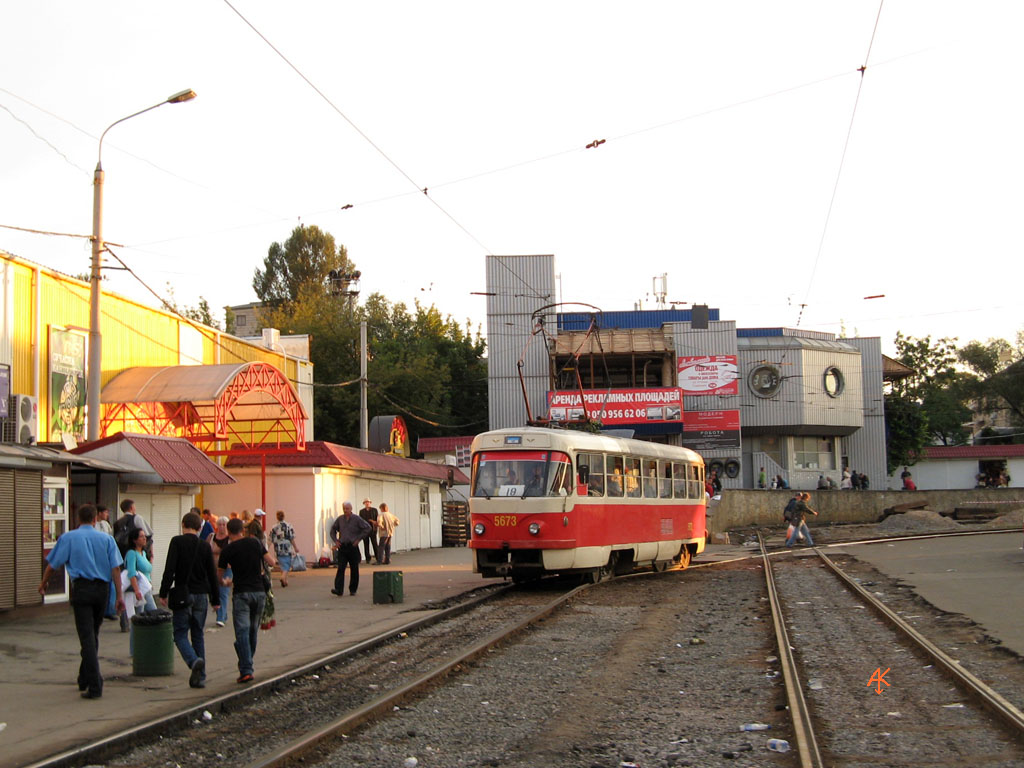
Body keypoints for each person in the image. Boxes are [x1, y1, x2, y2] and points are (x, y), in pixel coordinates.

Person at [38, 504, 124, 699]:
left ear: (78, 519)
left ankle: (95, 684)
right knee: (92, 634)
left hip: (82, 590)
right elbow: (116, 569)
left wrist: (44, 583)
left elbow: (53, 565)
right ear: (95, 520)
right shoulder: (107, 539)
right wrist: (119, 596)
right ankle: (83, 677)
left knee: (86, 637)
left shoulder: (68, 538)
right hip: (102, 590)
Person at [159, 511, 220, 688]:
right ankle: (201, 677)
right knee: (198, 634)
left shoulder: (176, 542)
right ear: (200, 527)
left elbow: (170, 569)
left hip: (183, 595)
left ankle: (193, 661)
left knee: (179, 634)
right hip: (201, 595)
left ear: (183, 525)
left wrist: (163, 592)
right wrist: (215, 599)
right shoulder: (205, 546)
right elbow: (212, 574)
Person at [218, 518, 275, 684]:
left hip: (241, 594)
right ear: (242, 530)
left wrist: (227, 582)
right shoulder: (255, 542)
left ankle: (246, 668)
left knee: (242, 631)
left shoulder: (227, 550)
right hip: (259, 593)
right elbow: (271, 561)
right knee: (252, 630)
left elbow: (220, 576)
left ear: (229, 532)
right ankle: (246, 661)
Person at [122, 527, 158, 656]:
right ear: (134, 540)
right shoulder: (132, 553)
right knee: (148, 615)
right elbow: (131, 573)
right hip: (139, 590)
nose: (144, 539)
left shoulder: (143, 553)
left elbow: (147, 570)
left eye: (145, 536)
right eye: (141, 536)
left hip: (146, 588)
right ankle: (135, 649)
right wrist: (137, 590)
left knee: (143, 616)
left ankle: (140, 646)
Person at [329, 501, 372, 596]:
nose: (345, 510)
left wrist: (358, 539)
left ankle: (353, 589)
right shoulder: (340, 519)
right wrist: (336, 541)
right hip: (343, 546)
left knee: (354, 568)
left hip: (352, 546)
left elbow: (367, 528)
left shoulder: (356, 519)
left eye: (347, 509)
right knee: (341, 568)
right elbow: (333, 530)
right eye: (344, 509)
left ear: (351, 509)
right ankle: (338, 589)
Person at [95, 506, 118, 620]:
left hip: (107, 555)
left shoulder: (106, 524)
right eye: (105, 512)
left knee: (111, 585)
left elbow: (111, 537)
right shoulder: (93, 526)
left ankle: (110, 610)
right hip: (97, 557)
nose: (107, 514)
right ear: (99, 513)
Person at [209, 516, 231, 627]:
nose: (222, 527)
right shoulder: (212, 537)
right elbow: (205, 550)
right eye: (220, 524)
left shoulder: (230, 539)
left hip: (227, 569)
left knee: (223, 593)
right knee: (214, 593)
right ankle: (222, 614)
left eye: (224, 525)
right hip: (213, 569)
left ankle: (220, 618)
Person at [270, 510, 299, 587]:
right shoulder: (289, 526)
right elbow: (292, 538)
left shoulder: (274, 527)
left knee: (282, 564)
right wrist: (295, 548)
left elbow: (270, 539)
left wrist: (267, 547)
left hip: (278, 548)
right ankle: (283, 577)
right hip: (287, 548)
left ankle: (285, 581)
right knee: (287, 565)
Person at [359, 498, 380, 564]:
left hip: (373, 529)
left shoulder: (374, 510)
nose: (367, 503)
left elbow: (377, 518)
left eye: (368, 502)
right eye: (366, 502)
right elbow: (360, 520)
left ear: (370, 503)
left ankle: (378, 557)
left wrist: (375, 524)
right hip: (365, 530)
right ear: (364, 503)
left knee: (374, 544)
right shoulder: (362, 511)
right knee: (366, 544)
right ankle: (368, 558)